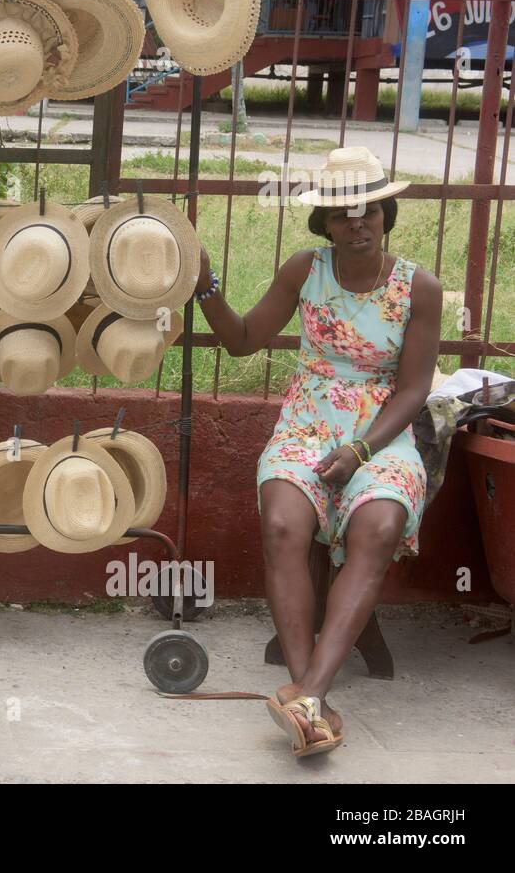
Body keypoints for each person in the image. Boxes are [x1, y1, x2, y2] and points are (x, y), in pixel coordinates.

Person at [194, 147, 441, 758]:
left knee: (379, 525)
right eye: (341, 214)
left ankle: (306, 690)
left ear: (385, 214)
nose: (356, 223)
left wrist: (361, 451)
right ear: (325, 223)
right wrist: (206, 287)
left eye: (367, 211)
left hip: (379, 435)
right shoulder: (306, 270)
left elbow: (413, 390)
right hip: (306, 426)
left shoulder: (419, 287)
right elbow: (243, 341)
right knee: (283, 523)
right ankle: (312, 700)